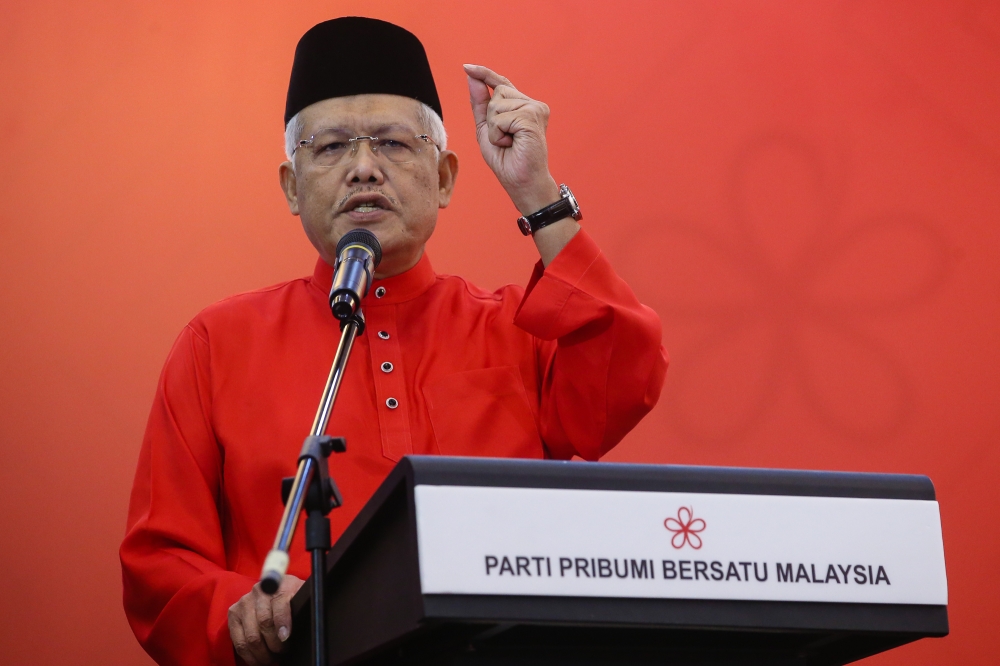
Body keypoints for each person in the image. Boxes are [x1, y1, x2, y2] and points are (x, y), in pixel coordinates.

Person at [121, 16, 667, 666]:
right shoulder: (217, 344)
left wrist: (537, 193)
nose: (363, 170)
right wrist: (239, 608)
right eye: (329, 149)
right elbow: (158, 563)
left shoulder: (516, 329)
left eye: (392, 144)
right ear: (292, 189)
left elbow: (627, 377)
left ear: (443, 177)